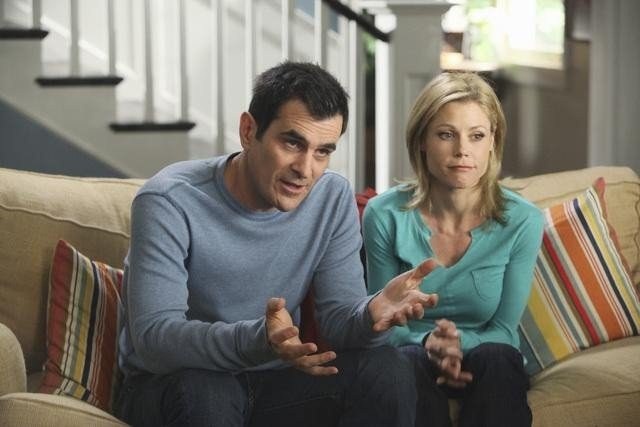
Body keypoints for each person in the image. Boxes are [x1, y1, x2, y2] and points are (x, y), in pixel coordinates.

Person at [114, 61, 440, 427]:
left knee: (387, 369)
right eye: (292, 143)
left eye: (322, 151)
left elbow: (337, 322)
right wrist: (259, 340)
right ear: (248, 130)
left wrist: (370, 315)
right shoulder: (170, 200)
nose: (305, 169)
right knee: (205, 391)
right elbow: (155, 340)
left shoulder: (330, 197)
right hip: (174, 384)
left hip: (274, 381)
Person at [362, 71, 544, 427]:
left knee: (498, 356)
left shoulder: (523, 220)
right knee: (403, 363)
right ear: (422, 140)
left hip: (487, 356)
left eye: (477, 136)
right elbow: (383, 323)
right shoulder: (384, 214)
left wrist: (458, 343)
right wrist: (429, 342)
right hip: (411, 354)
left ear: (492, 141)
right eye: (446, 134)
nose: (463, 150)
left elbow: (505, 328)